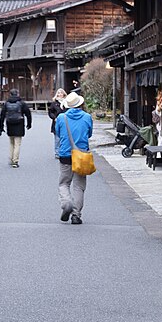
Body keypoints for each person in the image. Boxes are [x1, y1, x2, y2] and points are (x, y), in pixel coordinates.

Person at [55, 90, 92, 224]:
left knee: (64, 183)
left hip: (65, 154)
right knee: (79, 186)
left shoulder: (61, 118)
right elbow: (90, 134)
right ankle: (76, 215)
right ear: (80, 104)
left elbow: (58, 134)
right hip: (81, 155)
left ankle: (67, 204)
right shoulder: (87, 117)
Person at [0, 88, 32, 167]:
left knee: (11, 143)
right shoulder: (21, 103)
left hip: (10, 124)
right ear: (18, 94)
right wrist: (29, 124)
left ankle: (11, 158)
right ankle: (15, 161)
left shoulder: (6, 103)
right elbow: (28, 114)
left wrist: (1, 127)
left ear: (10, 94)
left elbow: (2, 115)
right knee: (17, 144)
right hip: (19, 124)